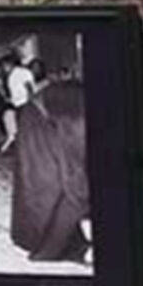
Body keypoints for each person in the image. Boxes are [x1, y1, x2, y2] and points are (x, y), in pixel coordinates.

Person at [8, 67, 92, 265]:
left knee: (70, 184)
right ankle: (46, 251)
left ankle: (56, 240)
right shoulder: (86, 111)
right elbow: (78, 164)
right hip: (39, 117)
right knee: (54, 185)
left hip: (57, 115)